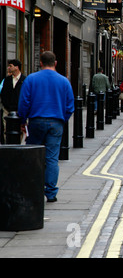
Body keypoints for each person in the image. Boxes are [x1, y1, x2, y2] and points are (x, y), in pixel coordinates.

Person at [18, 51, 74, 202]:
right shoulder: (64, 81)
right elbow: (70, 106)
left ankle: (33, 188)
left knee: (34, 156)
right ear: (55, 63)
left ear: (41, 63)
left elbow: (24, 103)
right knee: (51, 158)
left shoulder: (31, 79)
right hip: (56, 123)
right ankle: (50, 193)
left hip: (36, 122)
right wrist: (62, 119)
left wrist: (23, 121)